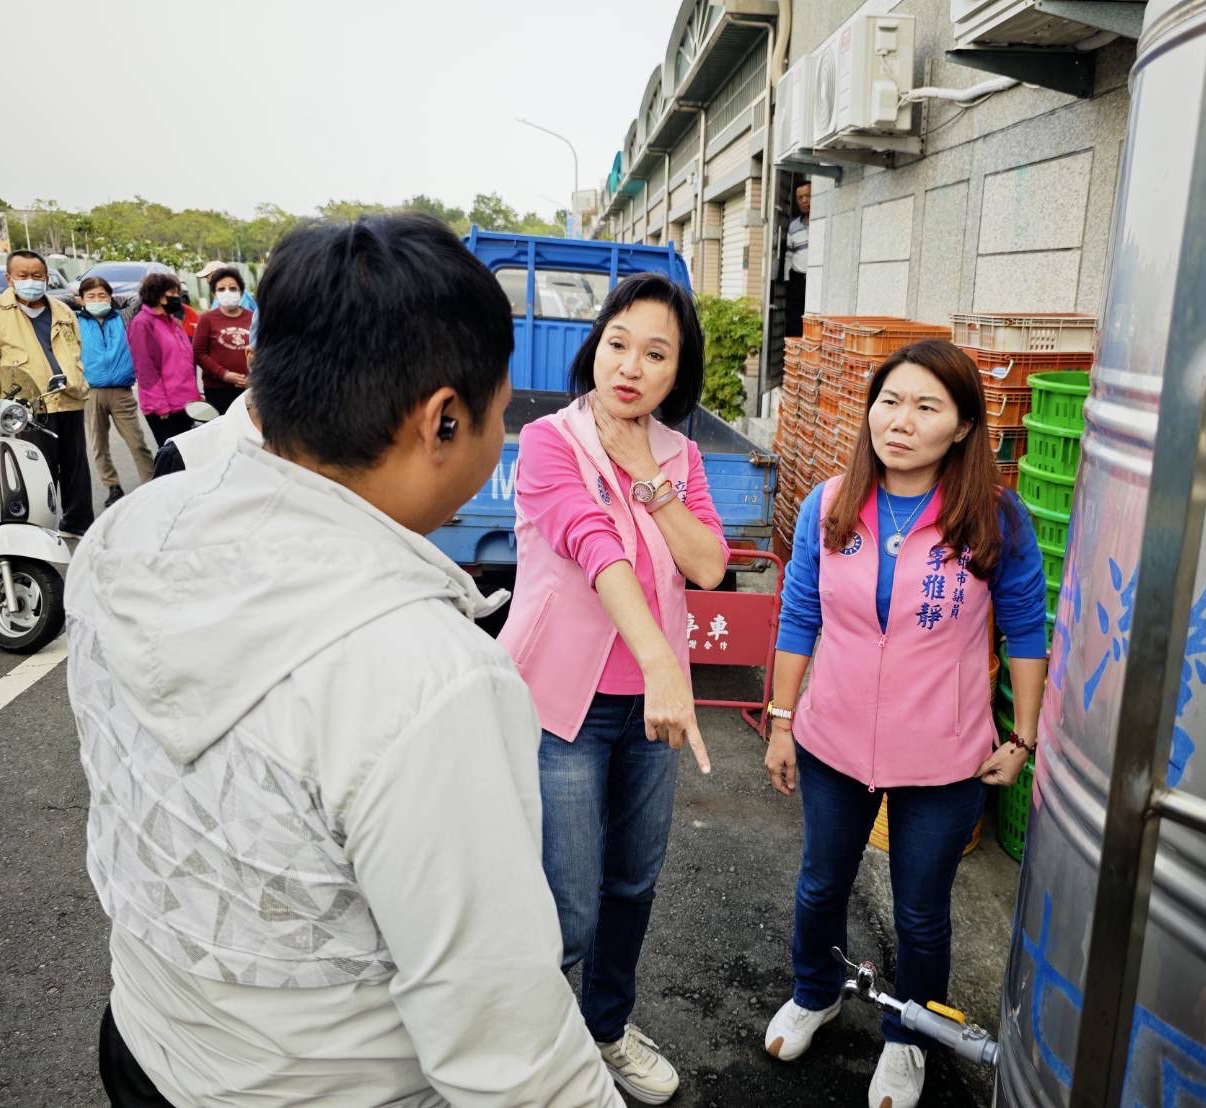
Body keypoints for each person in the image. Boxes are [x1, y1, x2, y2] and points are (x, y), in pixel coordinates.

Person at [66, 213, 622, 1107]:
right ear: (443, 418)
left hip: (147, 1043)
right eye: (501, 403)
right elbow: (506, 1051)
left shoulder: (126, 535)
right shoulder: (424, 673)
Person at [760, 340, 1047, 1108]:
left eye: (927, 407)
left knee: (922, 912)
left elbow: (1025, 627)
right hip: (832, 741)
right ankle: (815, 991)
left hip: (943, 756)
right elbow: (798, 614)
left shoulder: (993, 516)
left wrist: (1021, 740)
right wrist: (782, 719)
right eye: (889, 401)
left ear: (960, 427)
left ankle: (910, 1034)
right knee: (821, 884)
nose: (902, 420)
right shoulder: (830, 503)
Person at [498, 272, 726, 1105]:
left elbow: (706, 564)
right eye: (619, 342)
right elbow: (596, 550)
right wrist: (664, 659)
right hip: (564, 707)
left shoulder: (682, 456)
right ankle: (540, 1055)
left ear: (677, 373)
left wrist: (647, 473)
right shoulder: (550, 442)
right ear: (596, 346)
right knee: (566, 904)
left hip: (650, 715)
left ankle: (603, 1029)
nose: (630, 365)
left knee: (631, 883)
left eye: (655, 353)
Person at [0, 249, 94, 534]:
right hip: (29, 407)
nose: (31, 281)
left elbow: (76, 350)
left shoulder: (62, 310)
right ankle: (39, 528)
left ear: (47, 277)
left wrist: (77, 379)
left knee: (76, 468)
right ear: (9, 278)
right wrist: (6, 406)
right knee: (39, 469)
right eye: (23, 275)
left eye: (37, 275)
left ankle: (78, 524)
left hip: (69, 398)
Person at [76, 276, 155, 505]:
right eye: (90, 296)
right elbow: (52, 300)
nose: (97, 299)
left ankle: (151, 484)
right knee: (99, 445)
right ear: (81, 300)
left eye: (102, 295)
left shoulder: (123, 318)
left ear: (110, 298)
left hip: (122, 392)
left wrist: (113, 299)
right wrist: (75, 299)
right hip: (91, 392)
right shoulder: (74, 321)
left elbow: (139, 299)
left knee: (137, 441)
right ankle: (112, 487)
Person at [126, 270, 201, 447]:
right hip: (163, 407)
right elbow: (145, 367)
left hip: (185, 403)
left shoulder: (173, 322)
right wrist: (158, 404)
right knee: (173, 460)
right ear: (158, 295)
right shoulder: (142, 323)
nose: (177, 297)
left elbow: (184, 363)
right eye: (172, 293)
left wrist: (195, 397)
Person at [192, 266, 253, 415]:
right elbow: (199, 353)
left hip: (249, 388)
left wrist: (254, 377)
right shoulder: (207, 319)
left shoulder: (253, 317)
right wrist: (224, 375)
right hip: (218, 390)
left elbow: (264, 348)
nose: (228, 292)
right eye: (221, 289)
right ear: (214, 293)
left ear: (241, 291)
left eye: (233, 288)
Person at [784, 181, 811, 338]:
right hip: (797, 279)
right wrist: (788, 280)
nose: (804, 200)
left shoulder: (820, 220)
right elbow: (789, 254)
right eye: (800, 197)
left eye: (808, 196)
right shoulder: (793, 226)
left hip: (815, 279)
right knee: (794, 321)